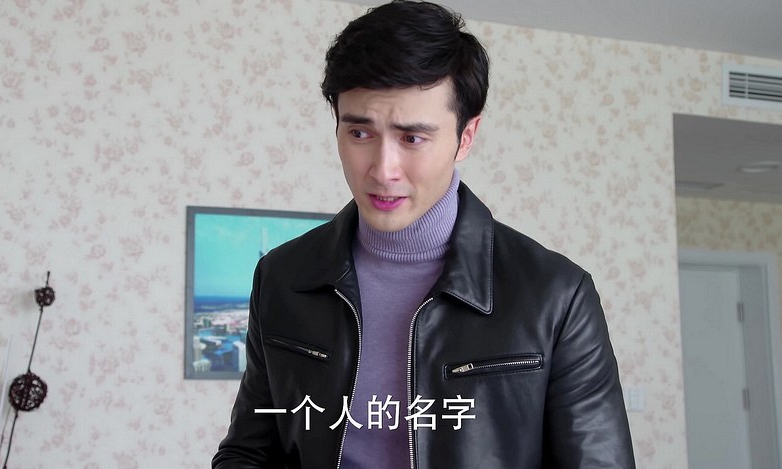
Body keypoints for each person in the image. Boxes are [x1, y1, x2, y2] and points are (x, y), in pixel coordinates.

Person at [212, 1, 636, 467]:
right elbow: (249, 451)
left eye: (412, 138)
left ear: (465, 137)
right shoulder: (281, 277)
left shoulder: (556, 294)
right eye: (360, 134)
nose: (383, 169)